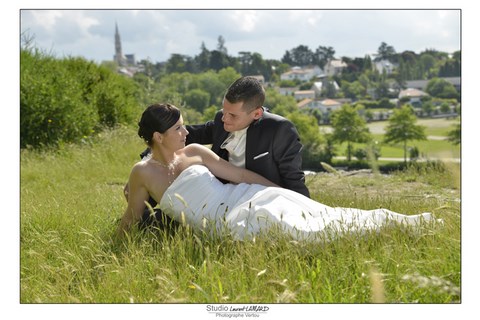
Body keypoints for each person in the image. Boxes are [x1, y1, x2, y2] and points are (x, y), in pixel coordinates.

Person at [117, 103, 435, 240]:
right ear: (158, 137)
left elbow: (239, 176)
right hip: (222, 223)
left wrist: (276, 189)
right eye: (178, 128)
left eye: (185, 125)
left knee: (305, 214)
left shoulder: (195, 152)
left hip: (243, 195)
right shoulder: (142, 172)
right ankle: (384, 229)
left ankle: (397, 224)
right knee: (286, 230)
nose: (186, 132)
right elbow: (132, 217)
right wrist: (116, 243)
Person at [129, 76, 309, 229]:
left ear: (256, 114)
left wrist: (303, 208)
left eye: (233, 116)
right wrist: (151, 156)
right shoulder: (222, 121)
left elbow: (294, 178)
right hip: (215, 200)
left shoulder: (278, 130)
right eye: (224, 111)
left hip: (262, 197)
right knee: (148, 221)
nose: (224, 119)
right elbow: (188, 134)